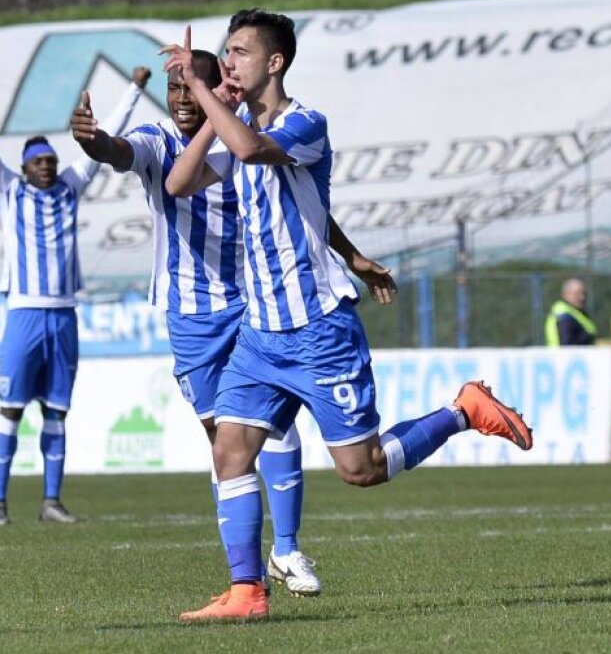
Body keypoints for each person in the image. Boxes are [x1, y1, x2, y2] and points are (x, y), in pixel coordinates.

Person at [162, 11, 534, 622]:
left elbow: (254, 150)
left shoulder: (305, 123)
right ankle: (247, 592)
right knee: (230, 452)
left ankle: (463, 409)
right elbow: (179, 183)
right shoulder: (238, 125)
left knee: (361, 470)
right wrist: (216, 105)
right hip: (260, 333)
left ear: (275, 62)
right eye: (224, 54)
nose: (229, 63)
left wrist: (203, 90)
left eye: (240, 53)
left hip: (318, 331)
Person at [70, 50, 395, 596]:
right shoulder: (160, 140)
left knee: (274, 428)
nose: (181, 97)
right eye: (174, 89)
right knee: (225, 441)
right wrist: (91, 141)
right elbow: (118, 151)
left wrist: (350, 255)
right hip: (193, 316)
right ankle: (248, 575)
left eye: (190, 85)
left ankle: (287, 549)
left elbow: (307, 207)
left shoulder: (251, 137)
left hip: (255, 303)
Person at [0, 66, 150, 526]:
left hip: (64, 316)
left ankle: (51, 501)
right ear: (25, 167)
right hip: (24, 314)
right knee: (11, 409)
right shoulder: (8, 190)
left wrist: (134, 90)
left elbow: (104, 137)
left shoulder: (71, 188)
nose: (48, 167)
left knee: (57, 411)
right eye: (40, 162)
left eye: (52, 161)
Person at [545, 277, 597, 346]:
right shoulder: (564, 316)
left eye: (584, 293)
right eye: (577, 294)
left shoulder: (574, 312)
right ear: (566, 294)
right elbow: (567, 346)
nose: (582, 297)